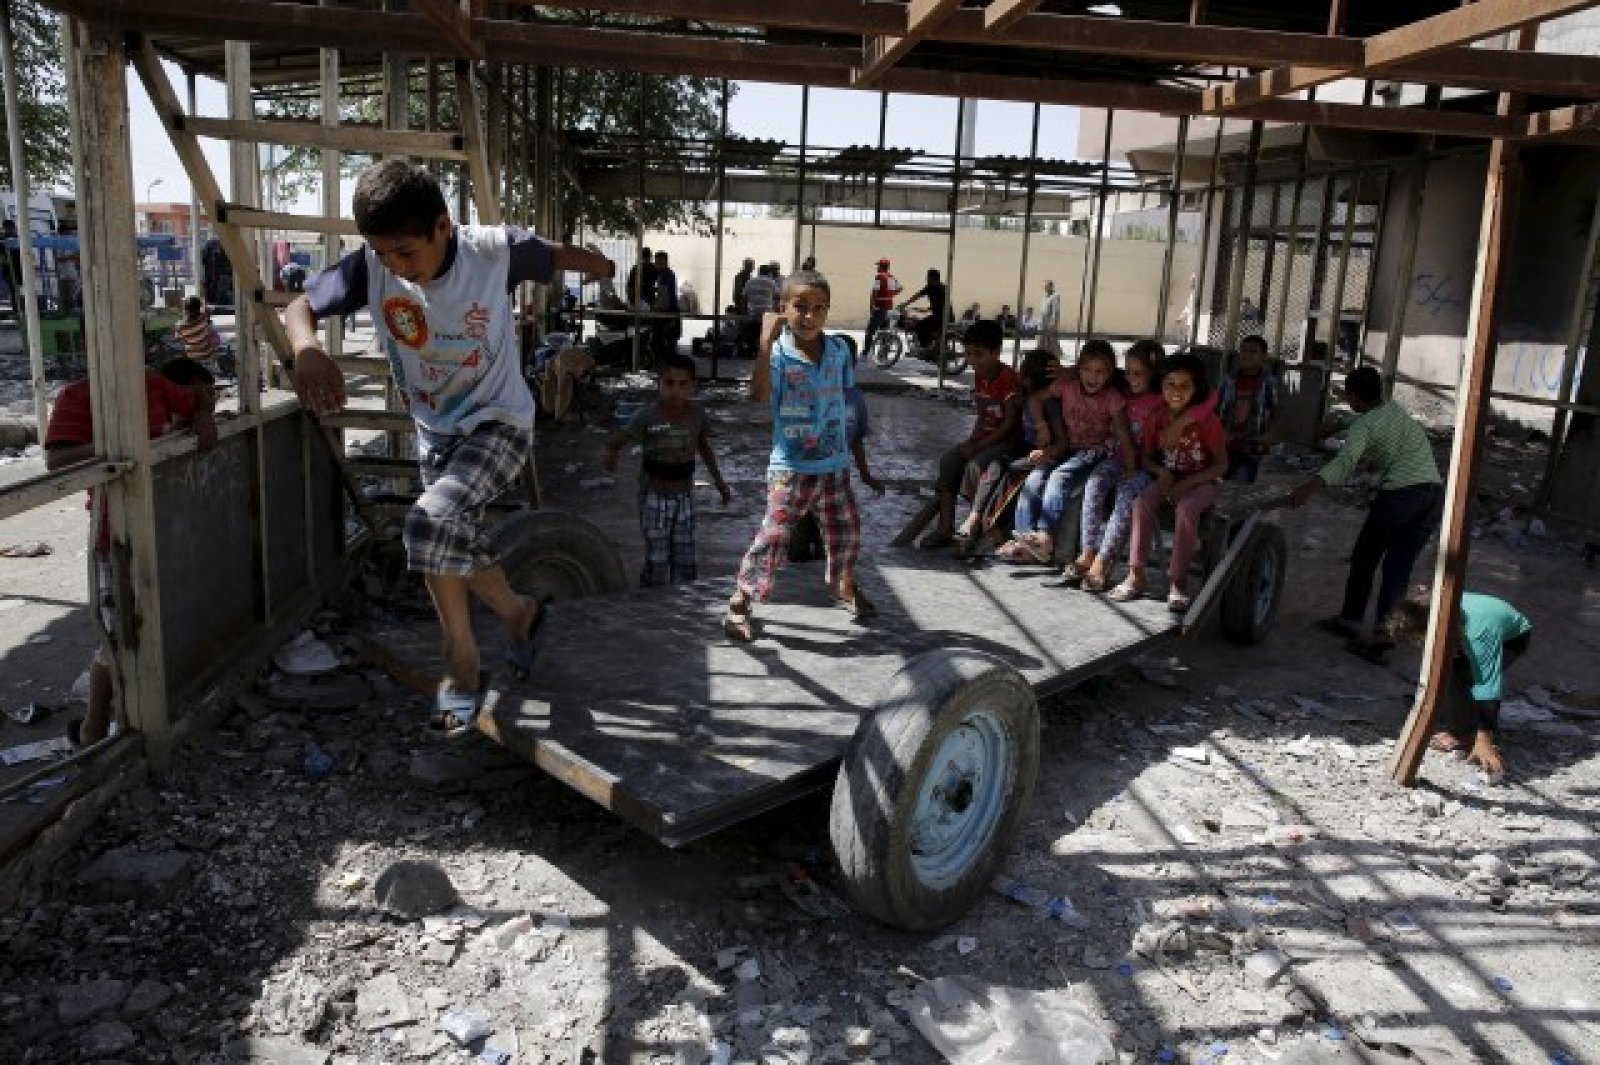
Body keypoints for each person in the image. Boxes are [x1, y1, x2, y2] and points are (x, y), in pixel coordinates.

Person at [285, 159, 613, 734]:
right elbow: (298, 307)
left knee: (428, 525)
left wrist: (603, 267)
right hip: (435, 431)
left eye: (406, 253)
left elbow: (558, 254)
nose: (396, 267)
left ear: (443, 226)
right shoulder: (371, 266)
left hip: (499, 422)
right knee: (452, 542)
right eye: (383, 253)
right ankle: (520, 614)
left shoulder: (492, 251)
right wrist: (307, 348)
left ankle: (461, 663)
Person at [45, 359, 219, 747]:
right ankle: (94, 730)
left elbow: (198, 404)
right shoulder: (78, 396)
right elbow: (56, 462)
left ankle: (129, 716)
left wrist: (203, 416)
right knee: (117, 638)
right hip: (116, 536)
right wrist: (125, 448)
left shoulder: (152, 384)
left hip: (166, 528)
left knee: (151, 627)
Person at [724, 269, 872, 641]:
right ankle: (740, 601)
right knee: (773, 536)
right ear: (783, 307)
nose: (809, 316)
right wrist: (764, 342)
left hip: (834, 465)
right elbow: (758, 395)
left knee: (846, 532)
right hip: (790, 468)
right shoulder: (777, 354)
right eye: (801, 306)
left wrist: (849, 446)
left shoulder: (839, 351)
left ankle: (843, 585)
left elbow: (846, 398)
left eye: (819, 308)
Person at [1289, 365, 1443, 645]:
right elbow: (1372, 425)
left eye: (1348, 397)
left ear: (1354, 397)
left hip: (1400, 495)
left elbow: (1345, 462)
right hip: (1432, 497)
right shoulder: (1393, 410)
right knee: (1399, 568)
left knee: (1364, 559)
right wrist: (1340, 424)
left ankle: (1350, 620)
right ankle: (1384, 636)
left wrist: (1309, 487)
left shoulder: (1364, 425)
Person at [997, 339, 1133, 564]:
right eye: (1087, 369)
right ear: (1078, 369)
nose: (1092, 376)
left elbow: (1123, 432)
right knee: (1036, 476)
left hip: (1094, 451)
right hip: (1069, 448)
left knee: (1059, 477)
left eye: (1100, 371)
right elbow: (1035, 399)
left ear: (1109, 374)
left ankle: (1045, 535)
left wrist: (1130, 466)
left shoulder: (1112, 398)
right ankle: (1025, 538)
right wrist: (1041, 426)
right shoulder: (1067, 387)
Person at [1111, 350, 1228, 611]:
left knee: (1187, 508)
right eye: (1170, 384)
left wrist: (1189, 482)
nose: (1177, 391)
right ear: (1161, 385)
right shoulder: (1157, 417)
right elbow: (1147, 458)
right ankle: (1136, 574)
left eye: (1185, 386)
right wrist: (1160, 472)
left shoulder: (1208, 421)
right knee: (1141, 503)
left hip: (1204, 482)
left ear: (1196, 389)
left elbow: (1221, 465)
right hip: (1169, 477)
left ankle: (1178, 581)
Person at [604, 354, 730, 587]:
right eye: (669, 383)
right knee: (657, 560)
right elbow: (619, 439)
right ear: (658, 384)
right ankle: (652, 601)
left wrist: (719, 483)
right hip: (653, 496)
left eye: (683, 384)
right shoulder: (647, 415)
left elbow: (704, 447)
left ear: (692, 386)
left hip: (684, 497)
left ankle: (683, 601)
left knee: (685, 560)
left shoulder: (697, 416)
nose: (675, 390)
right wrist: (611, 454)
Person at [917, 320, 1021, 551]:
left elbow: (1009, 424)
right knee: (949, 461)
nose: (972, 360)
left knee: (976, 466)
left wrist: (980, 445)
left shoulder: (1008, 379)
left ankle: (976, 527)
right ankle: (945, 527)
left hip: (1007, 443)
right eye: (969, 354)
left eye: (979, 354)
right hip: (985, 440)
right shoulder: (979, 377)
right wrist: (972, 441)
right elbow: (983, 416)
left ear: (996, 352)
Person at [1406, 590, 1532, 778]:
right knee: (1452, 671)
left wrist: (1484, 740)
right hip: (1471, 624)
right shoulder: (1438, 606)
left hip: (1513, 636)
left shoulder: (1479, 636)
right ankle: (1459, 725)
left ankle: (1471, 735)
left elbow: (1488, 687)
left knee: (1469, 677)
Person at [955, 346, 1063, 555]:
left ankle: (990, 528)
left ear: (1029, 379)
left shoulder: (1049, 404)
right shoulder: (1025, 397)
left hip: (1041, 453)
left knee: (1011, 476)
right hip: (1024, 447)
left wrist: (1046, 453)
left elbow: (1062, 440)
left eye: (1022, 372)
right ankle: (975, 517)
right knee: (994, 468)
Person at [790, 383, 886, 562]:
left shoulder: (855, 398)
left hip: (834, 481)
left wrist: (866, 476)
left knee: (826, 552)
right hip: (804, 477)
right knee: (797, 553)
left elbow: (857, 441)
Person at [1217, 334, 1279, 483]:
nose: (1247, 355)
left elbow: (1276, 412)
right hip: (1226, 443)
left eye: (1253, 351)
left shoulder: (1269, 382)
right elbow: (1218, 408)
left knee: (1242, 483)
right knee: (1220, 482)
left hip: (1252, 445)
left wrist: (1269, 435)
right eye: (1244, 350)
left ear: (1264, 356)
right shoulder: (1229, 380)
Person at [898, 268, 948, 354]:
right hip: (947, 316)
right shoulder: (943, 286)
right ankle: (933, 346)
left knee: (919, 327)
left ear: (931, 278)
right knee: (926, 326)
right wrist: (928, 309)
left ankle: (926, 349)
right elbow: (941, 303)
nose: (926, 279)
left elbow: (917, 296)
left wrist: (905, 304)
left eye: (927, 277)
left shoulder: (931, 286)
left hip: (940, 318)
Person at [864, 257, 900, 356]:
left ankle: (865, 353)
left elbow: (875, 292)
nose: (877, 268)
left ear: (881, 266)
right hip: (889, 308)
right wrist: (890, 295)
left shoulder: (879, 277)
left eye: (878, 266)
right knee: (884, 331)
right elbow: (900, 288)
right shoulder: (891, 277)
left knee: (870, 331)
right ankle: (883, 355)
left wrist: (871, 305)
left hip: (880, 307)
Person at [651, 250, 681, 363]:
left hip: (668, 311)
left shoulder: (667, 275)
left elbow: (665, 296)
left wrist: (656, 308)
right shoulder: (660, 275)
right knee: (663, 340)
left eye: (660, 262)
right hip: (664, 311)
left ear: (666, 262)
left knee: (669, 340)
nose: (658, 264)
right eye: (656, 262)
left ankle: (670, 364)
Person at [174, 295, 222, 364]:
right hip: (207, 355)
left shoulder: (179, 326)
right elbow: (207, 309)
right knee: (211, 330)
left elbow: (180, 340)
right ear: (199, 308)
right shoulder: (203, 317)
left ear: (185, 310)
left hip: (192, 357)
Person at [1039, 280, 1061, 353]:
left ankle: (1057, 353)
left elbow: (1056, 310)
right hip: (1043, 321)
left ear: (1051, 287)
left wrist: (1053, 322)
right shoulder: (1044, 296)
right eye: (1044, 286)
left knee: (1052, 339)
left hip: (1050, 321)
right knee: (1042, 338)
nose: (1045, 288)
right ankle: (1042, 351)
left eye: (1046, 286)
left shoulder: (1055, 296)